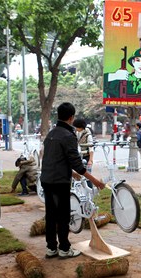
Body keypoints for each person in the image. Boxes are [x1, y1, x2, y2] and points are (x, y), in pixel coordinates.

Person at [40, 102, 105, 259]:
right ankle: (64, 248)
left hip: (47, 179)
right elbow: (79, 165)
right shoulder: (69, 136)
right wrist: (95, 181)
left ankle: (51, 248)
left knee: (51, 215)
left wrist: (71, 173)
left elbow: (53, 159)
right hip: (59, 182)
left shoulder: (51, 134)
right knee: (63, 215)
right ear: (71, 118)